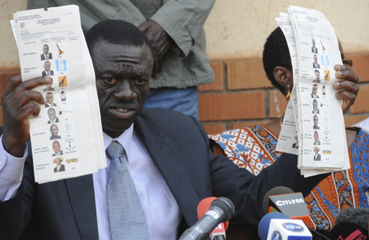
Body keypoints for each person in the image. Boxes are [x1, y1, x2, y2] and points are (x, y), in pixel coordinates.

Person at [0, 20, 328, 240]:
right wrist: (13, 146)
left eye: (138, 81)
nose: (127, 93)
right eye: (110, 80)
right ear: (83, 76)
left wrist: (323, 120)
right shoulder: (39, 148)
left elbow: (255, 200)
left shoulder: (181, 134)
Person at [209, 27, 369, 234]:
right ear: (284, 76)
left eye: (342, 63)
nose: (338, 73)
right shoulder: (234, 151)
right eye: (324, 63)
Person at [29, 0, 216, 119]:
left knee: (176, 173)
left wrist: (167, 26)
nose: (128, 94)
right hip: (80, 73)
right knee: (83, 176)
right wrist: (138, 42)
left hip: (170, 74)